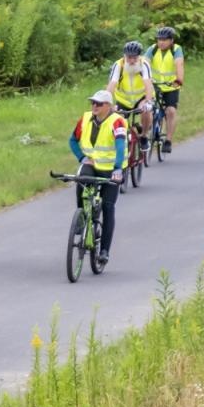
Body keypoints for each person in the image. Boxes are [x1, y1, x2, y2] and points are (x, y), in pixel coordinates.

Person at [67, 91, 128, 266]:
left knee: (108, 207)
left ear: (108, 106)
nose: (94, 106)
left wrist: (118, 169)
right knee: (81, 179)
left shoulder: (117, 121)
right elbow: (72, 140)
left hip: (111, 169)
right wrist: (81, 157)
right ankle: (81, 218)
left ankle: (104, 251)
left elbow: (120, 145)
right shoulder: (86, 118)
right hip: (92, 165)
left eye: (99, 104)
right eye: (93, 103)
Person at [106, 41, 154, 168]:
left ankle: (144, 136)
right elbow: (112, 84)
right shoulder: (119, 65)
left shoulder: (144, 64)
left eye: (134, 58)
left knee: (146, 110)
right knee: (117, 121)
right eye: (129, 57)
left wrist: (148, 101)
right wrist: (107, 103)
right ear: (124, 56)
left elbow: (148, 84)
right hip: (124, 100)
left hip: (141, 97)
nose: (131, 61)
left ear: (139, 56)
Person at [147, 28, 185, 153]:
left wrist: (179, 79)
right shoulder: (153, 49)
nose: (161, 42)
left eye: (164, 40)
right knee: (147, 108)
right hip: (154, 85)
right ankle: (146, 133)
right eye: (159, 39)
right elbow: (145, 62)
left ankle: (168, 141)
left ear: (171, 40)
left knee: (171, 111)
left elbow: (179, 64)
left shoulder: (176, 50)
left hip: (171, 86)